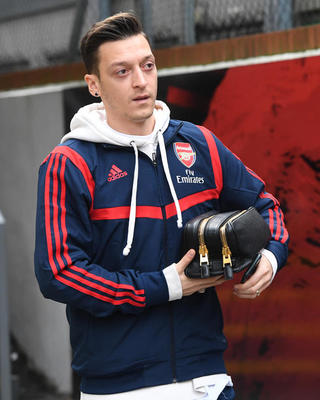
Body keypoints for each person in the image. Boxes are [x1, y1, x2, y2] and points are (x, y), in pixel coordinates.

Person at [34, 12, 288, 399]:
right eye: (122, 72)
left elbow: (267, 206)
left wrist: (270, 257)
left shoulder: (198, 144)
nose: (140, 81)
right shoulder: (69, 164)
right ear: (94, 85)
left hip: (206, 379)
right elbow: (59, 272)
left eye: (148, 65)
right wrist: (164, 286)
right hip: (118, 388)